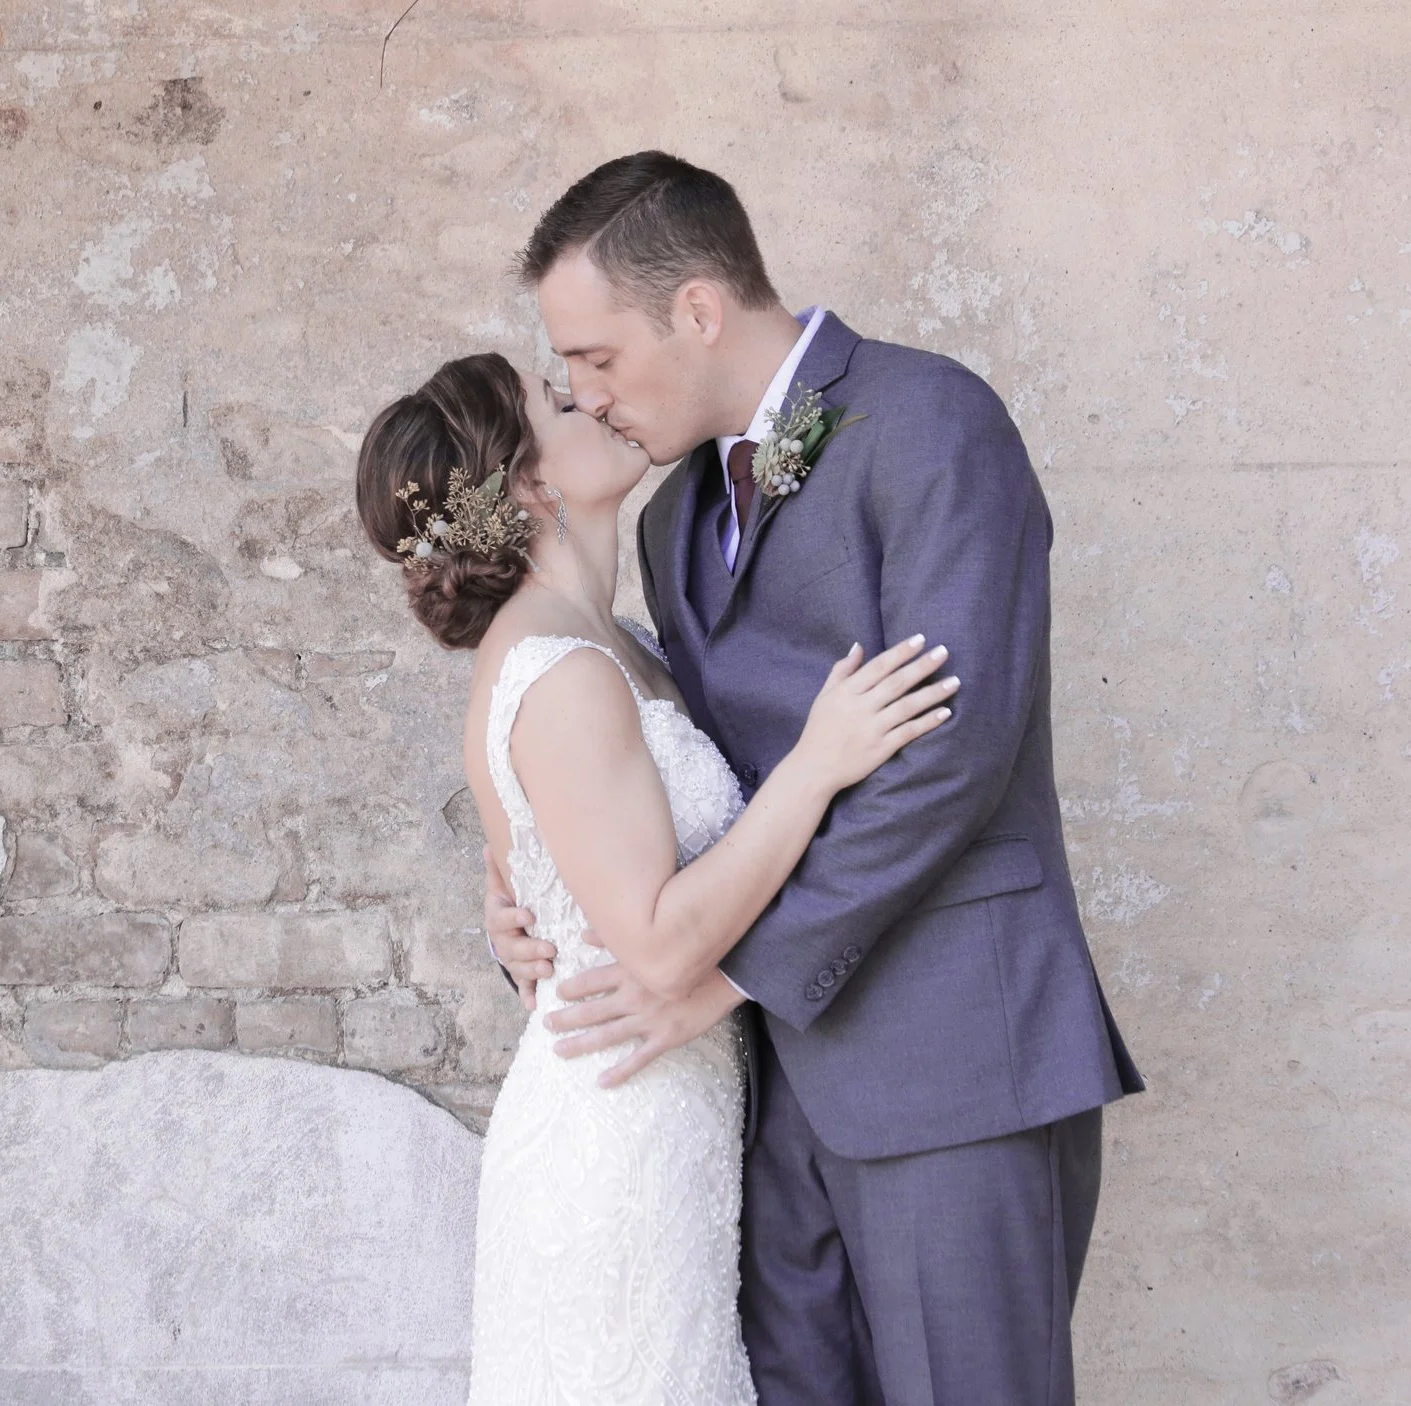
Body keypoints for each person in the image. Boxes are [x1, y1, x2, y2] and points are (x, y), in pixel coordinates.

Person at [486, 151, 1145, 1404]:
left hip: (952, 1060)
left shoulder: (931, 421)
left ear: (695, 308)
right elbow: (691, 778)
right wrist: (537, 889)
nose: (583, 396)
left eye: (596, 358)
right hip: (762, 1099)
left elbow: (949, 753)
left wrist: (725, 971)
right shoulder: (674, 519)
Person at [356, 350, 956, 1402]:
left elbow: (550, 864)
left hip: (680, 1120)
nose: (589, 396)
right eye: (557, 401)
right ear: (528, 483)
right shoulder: (559, 671)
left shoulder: (618, 642)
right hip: (616, 1142)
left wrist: (511, 906)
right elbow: (659, 943)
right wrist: (818, 764)